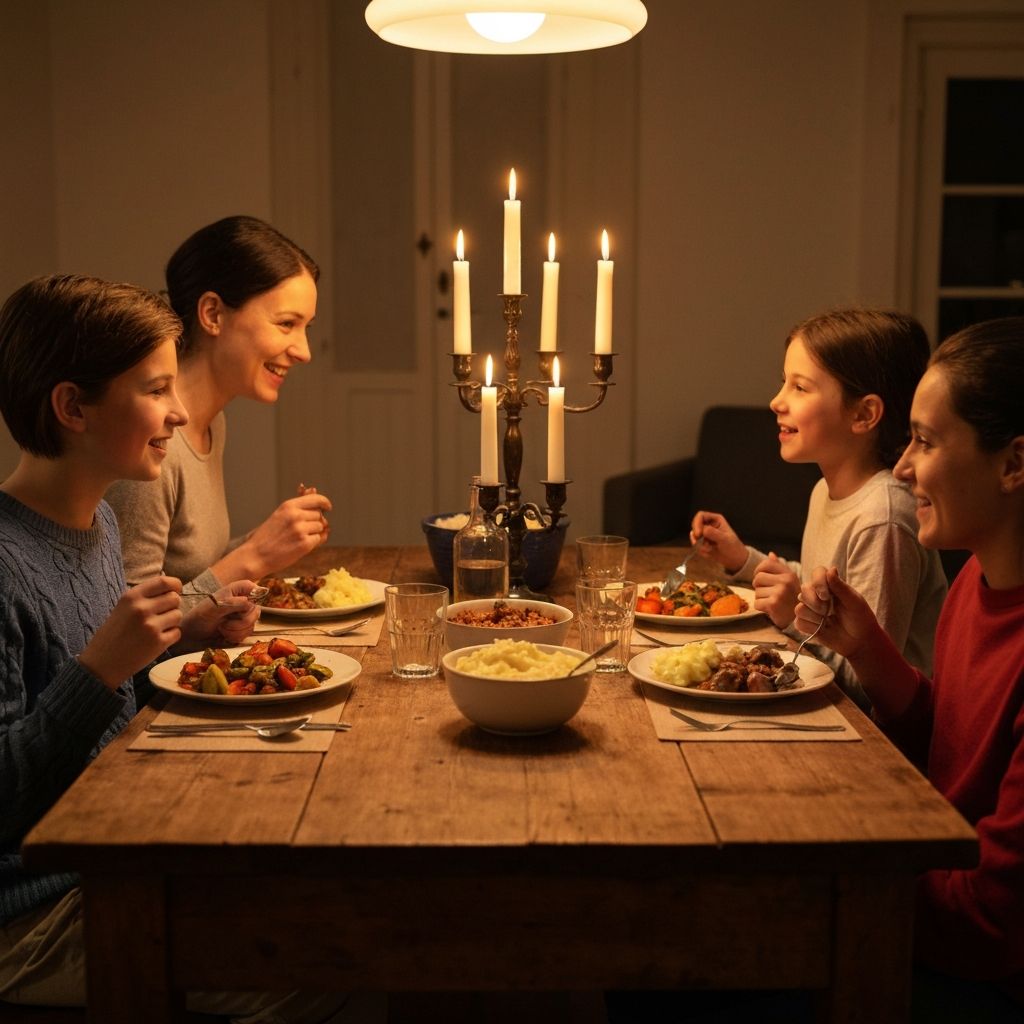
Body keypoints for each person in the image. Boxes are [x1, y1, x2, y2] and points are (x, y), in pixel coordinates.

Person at [0, 275, 355, 1022]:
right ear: (72, 408)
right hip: (31, 917)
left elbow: (102, 722)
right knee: (326, 960)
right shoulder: (5, 564)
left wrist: (182, 640)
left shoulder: (91, 527)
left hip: (114, 853)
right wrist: (102, 667)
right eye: (156, 390)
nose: (180, 412)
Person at [793, 317, 1024, 1021]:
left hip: (976, 978)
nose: (900, 467)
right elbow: (950, 740)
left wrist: (825, 875)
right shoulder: (971, 588)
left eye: (923, 442)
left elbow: (993, 921)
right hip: (925, 912)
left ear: (1014, 462)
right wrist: (867, 649)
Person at [692, 308, 947, 709]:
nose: (777, 401)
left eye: (801, 387)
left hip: (885, 743)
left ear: (863, 414)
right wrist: (742, 559)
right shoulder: (823, 491)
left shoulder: (883, 518)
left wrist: (792, 619)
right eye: (783, 383)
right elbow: (817, 591)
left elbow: (870, 687)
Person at [106, 215, 332, 598]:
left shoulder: (213, 423)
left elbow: (190, 571)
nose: (304, 352)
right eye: (286, 323)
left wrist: (268, 541)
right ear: (213, 314)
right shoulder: (155, 440)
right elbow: (127, 628)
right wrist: (254, 556)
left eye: (305, 328)